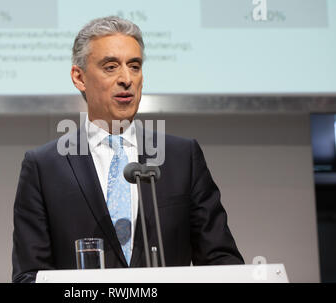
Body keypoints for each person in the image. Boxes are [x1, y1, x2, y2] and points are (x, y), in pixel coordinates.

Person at [12, 16, 244, 283]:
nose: (126, 79)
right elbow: (29, 276)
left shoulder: (182, 157)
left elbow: (222, 262)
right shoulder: (44, 167)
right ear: (79, 77)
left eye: (134, 66)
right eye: (110, 67)